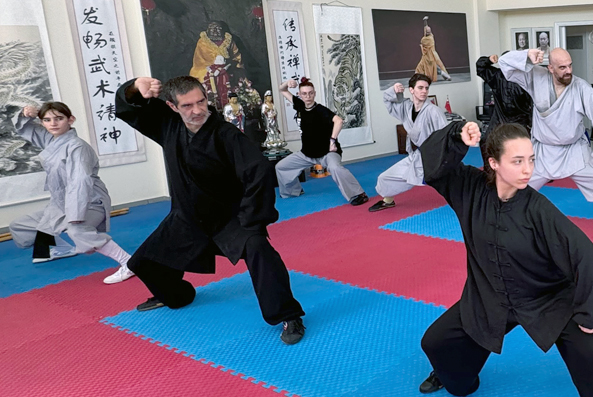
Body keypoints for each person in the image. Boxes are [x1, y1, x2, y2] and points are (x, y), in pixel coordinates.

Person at [416, 119, 593, 397]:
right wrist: (456, 134)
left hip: (546, 299)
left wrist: (590, 310)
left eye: (531, 159)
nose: (528, 169)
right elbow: (433, 166)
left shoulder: (538, 209)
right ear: (493, 162)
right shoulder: (468, 189)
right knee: (436, 341)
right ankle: (454, 375)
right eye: (518, 161)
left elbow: (583, 253)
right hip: (489, 295)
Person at [115, 76, 306, 344]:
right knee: (143, 263)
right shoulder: (167, 124)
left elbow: (258, 171)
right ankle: (178, 295)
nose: (197, 110)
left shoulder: (226, 134)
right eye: (187, 106)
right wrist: (134, 88)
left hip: (230, 218)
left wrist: (252, 219)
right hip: (187, 217)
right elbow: (128, 109)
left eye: (201, 101)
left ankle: (289, 315)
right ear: (171, 106)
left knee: (260, 253)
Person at [500, 48, 593, 247]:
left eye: (570, 65)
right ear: (550, 68)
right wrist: (526, 56)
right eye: (562, 67)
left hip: (574, 150)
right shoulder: (535, 77)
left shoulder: (580, 87)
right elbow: (504, 64)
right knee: (518, 187)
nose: (568, 71)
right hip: (543, 150)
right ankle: (504, 227)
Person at [8, 102, 134, 284]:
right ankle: (60, 249)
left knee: (77, 230)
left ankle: (129, 262)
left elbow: (79, 182)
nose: (53, 123)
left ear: (70, 119)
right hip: (62, 201)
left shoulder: (77, 147)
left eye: (59, 118)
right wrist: (25, 114)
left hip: (89, 199)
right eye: (47, 120)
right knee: (20, 225)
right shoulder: (50, 139)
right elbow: (25, 129)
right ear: (42, 122)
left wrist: (75, 215)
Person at [274, 77, 368, 206]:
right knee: (281, 167)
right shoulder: (300, 106)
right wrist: (287, 83)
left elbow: (339, 121)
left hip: (327, 153)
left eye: (311, 93)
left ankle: (358, 194)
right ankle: (293, 191)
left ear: (314, 93)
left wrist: (332, 140)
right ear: (300, 95)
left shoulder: (321, 110)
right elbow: (282, 89)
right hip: (307, 154)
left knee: (335, 168)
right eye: (304, 93)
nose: (308, 96)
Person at [368, 74, 447, 212]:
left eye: (426, 88)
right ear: (411, 90)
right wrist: (394, 90)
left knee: (449, 180)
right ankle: (388, 201)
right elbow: (388, 100)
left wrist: (441, 160)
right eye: (420, 88)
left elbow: (444, 136)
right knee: (385, 177)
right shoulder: (406, 106)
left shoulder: (434, 111)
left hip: (432, 156)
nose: (424, 91)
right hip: (416, 155)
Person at [475, 51, 533, 141]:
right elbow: (480, 67)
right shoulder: (497, 76)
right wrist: (489, 60)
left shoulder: (525, 78)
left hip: (518, 124)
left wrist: (488, 60)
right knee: (490, 146)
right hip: (502, 122)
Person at [415, 16, 452, 83]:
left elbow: (424, 44)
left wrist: (421, 46)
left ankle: (447, 76)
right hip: (428, 56)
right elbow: (425, 28)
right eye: (427, 30)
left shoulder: (429, 38)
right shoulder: (430, 36)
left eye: (428, 31)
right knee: (420, 67)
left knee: (436, 67)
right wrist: (425, 21)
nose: (427, 31)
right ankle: (416, 77)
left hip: (430, 56)